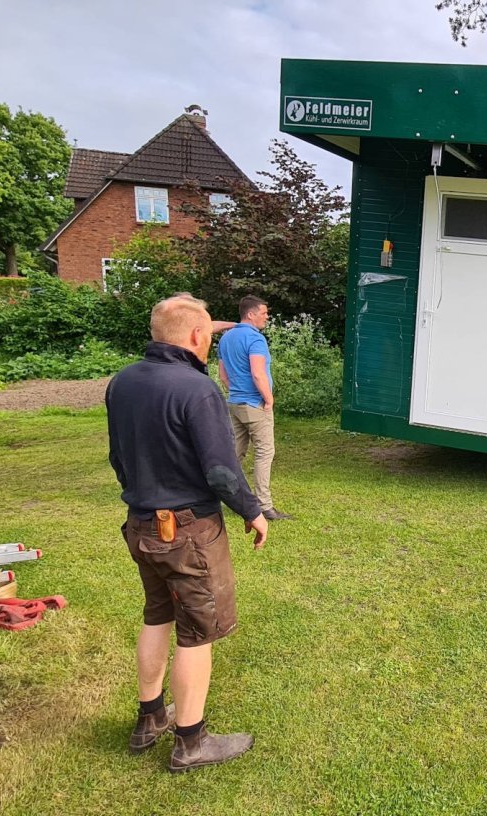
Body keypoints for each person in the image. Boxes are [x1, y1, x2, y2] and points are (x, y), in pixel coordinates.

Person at [106, 294, 268, 772]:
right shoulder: (196, 389)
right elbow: (220, 470)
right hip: (187, 532)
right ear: (197, 335)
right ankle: (191, 742)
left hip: (141, 524)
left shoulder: (122, 382)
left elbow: (118, 457)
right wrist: (252, 510)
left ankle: (150, 718)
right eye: (209, 334)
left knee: (157, 615)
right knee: (197, 632)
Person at [217, 296, 292, 521]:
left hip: (235, 403)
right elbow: (258, 374)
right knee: (264, 452)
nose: (267, 317)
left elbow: (223, 375)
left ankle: (219, 497)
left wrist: (236, 391)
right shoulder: (255, 339)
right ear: (250, 314)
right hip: (255, 404)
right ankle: (264, 506)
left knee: (233, 454)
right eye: (264, 313)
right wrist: (268, 400)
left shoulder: (226, 338)